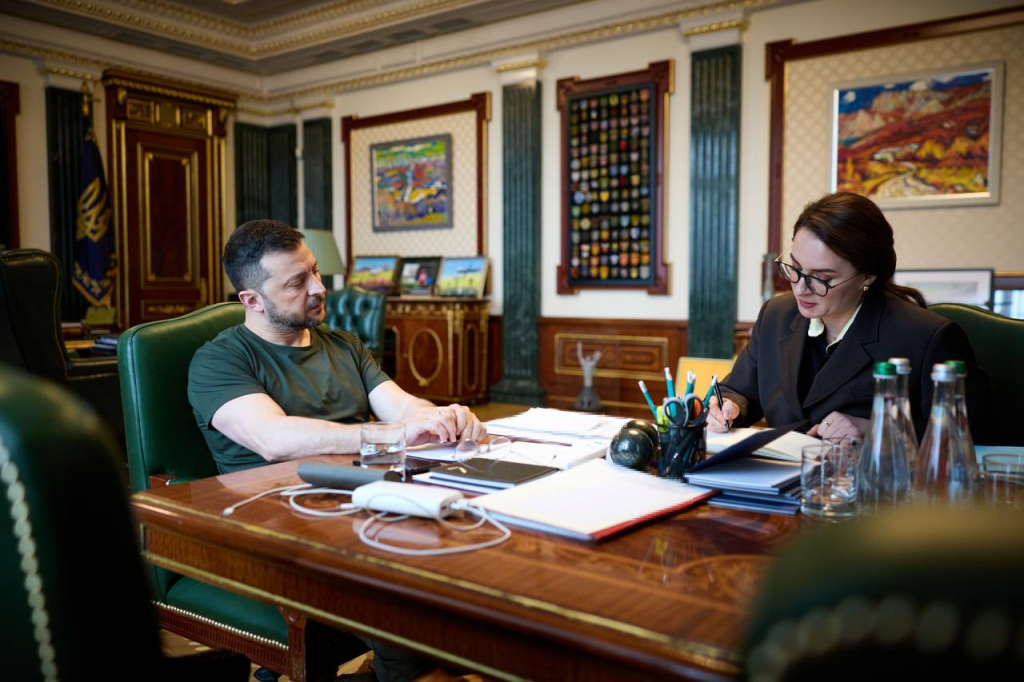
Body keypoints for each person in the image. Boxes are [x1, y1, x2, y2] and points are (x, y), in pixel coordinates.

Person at [188, 219, 486, 682]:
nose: (319, 287)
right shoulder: (220, 359)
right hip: (278, 521)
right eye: (297, 282)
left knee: (471, 553)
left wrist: (440, 417)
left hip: (364, 501)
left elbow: (403, 407)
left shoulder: (344, 344)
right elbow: (274, 439)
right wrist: (393, 434)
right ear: (252, 300)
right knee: (410, 593)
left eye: (315, 271)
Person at [707, 192, 988, 442]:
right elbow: (739, 391)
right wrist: (729, 407)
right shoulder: (776, 316)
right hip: (776, 478)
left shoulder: (926, 337)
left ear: (867, 276)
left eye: (822, 278)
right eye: (795, 268)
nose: (800, 288)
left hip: (868, 482)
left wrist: (875, 429)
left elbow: (965, 433)